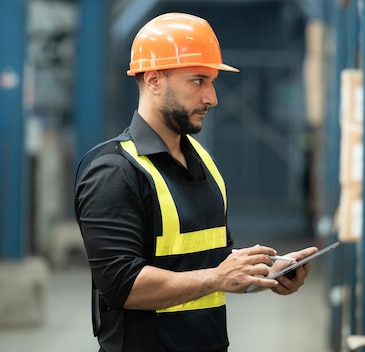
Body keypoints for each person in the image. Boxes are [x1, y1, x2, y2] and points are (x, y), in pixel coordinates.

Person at [74, 12, 318, 352]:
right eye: (198, 81)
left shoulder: (203, 162)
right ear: (155, 79)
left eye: (212, 82)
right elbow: (122, 285)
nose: (212, 97)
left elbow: (212, 262)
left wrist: (263, 273)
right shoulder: (114, 172)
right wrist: (219, 277)